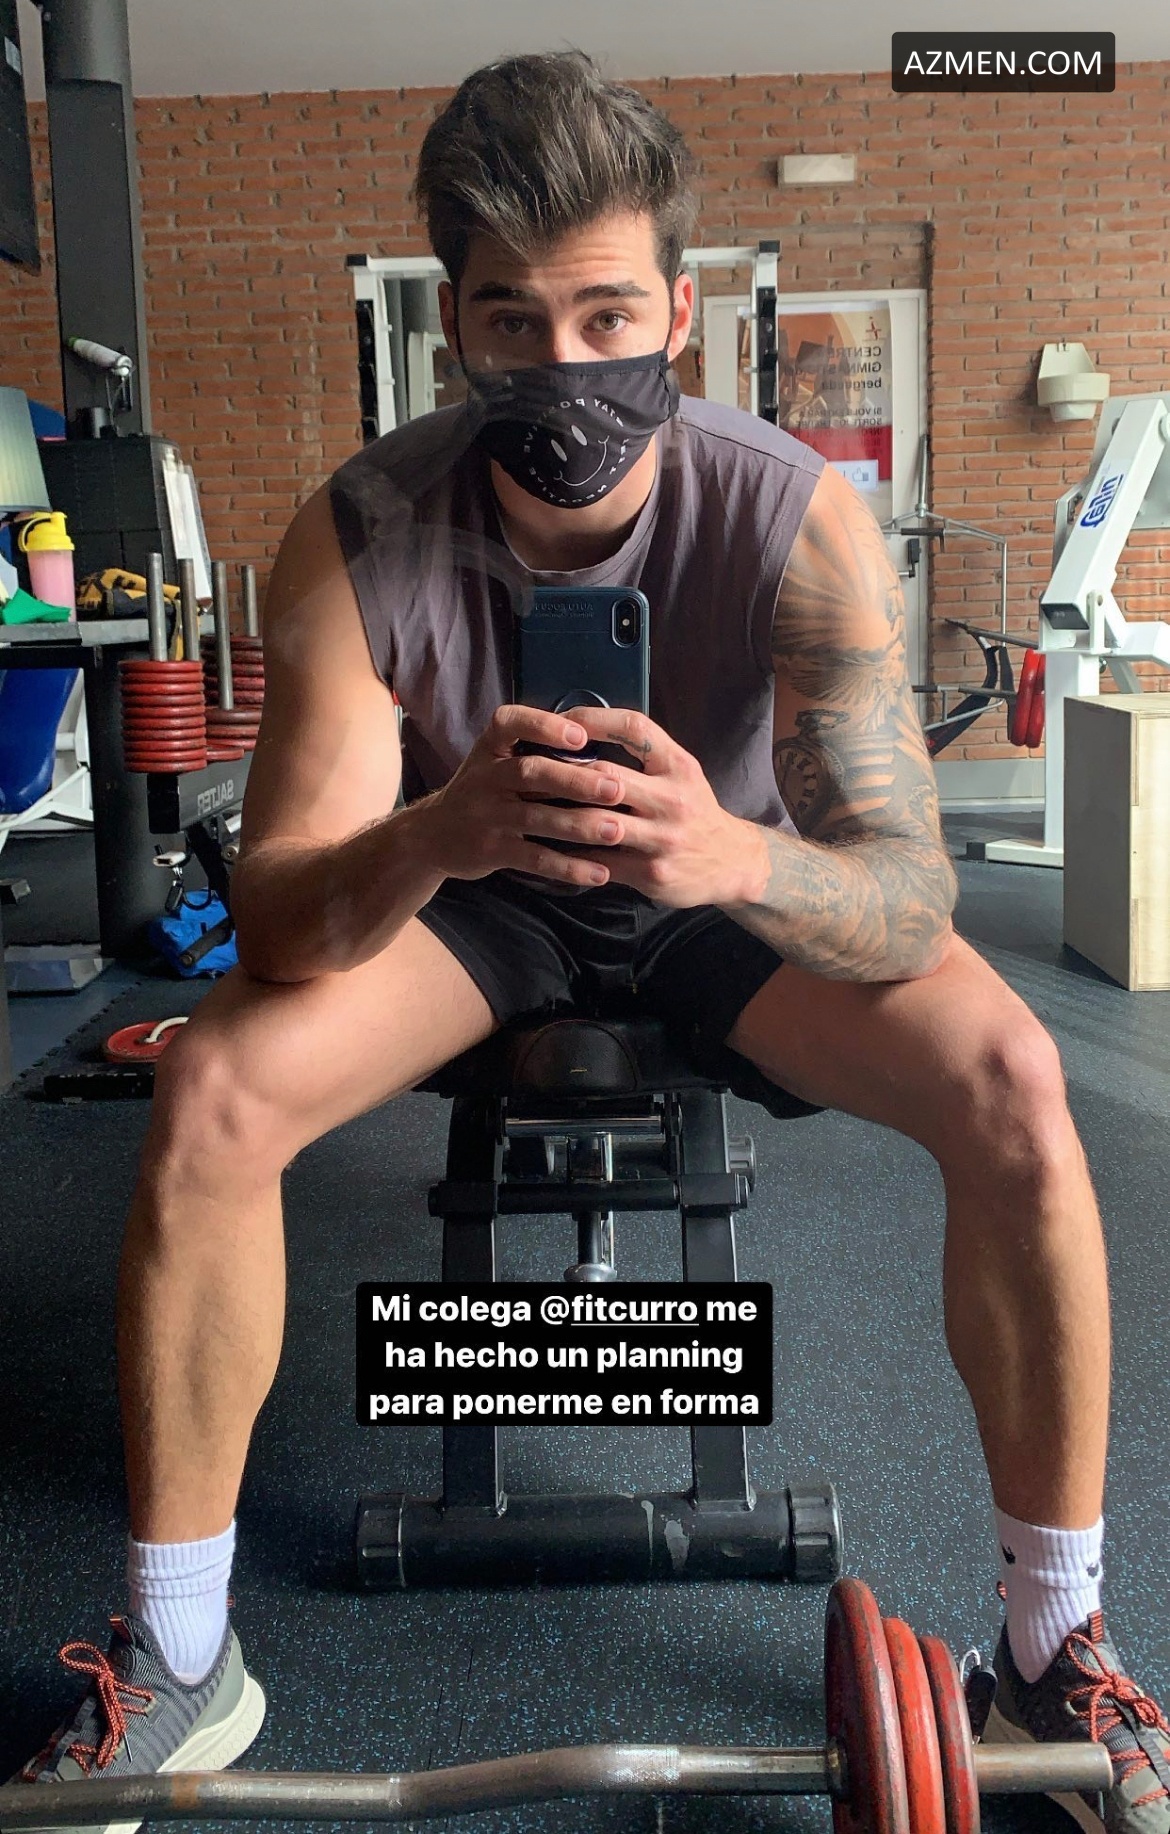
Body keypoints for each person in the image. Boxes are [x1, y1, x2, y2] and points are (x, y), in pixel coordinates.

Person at [10, 48, 1168, 1834]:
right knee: (215, 1095)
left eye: (606, 313)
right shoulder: (359, 533)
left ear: (679, 312)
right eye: (513, 319)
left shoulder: (793, 517)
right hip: (476, 908)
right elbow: (280, 922)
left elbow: (909, 894)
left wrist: (719, 850)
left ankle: (1047, 1641)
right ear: (454, 326)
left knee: (1014, 1077)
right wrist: (442, 828)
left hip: (726, 898)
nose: (563, 364)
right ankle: (178, 1658)